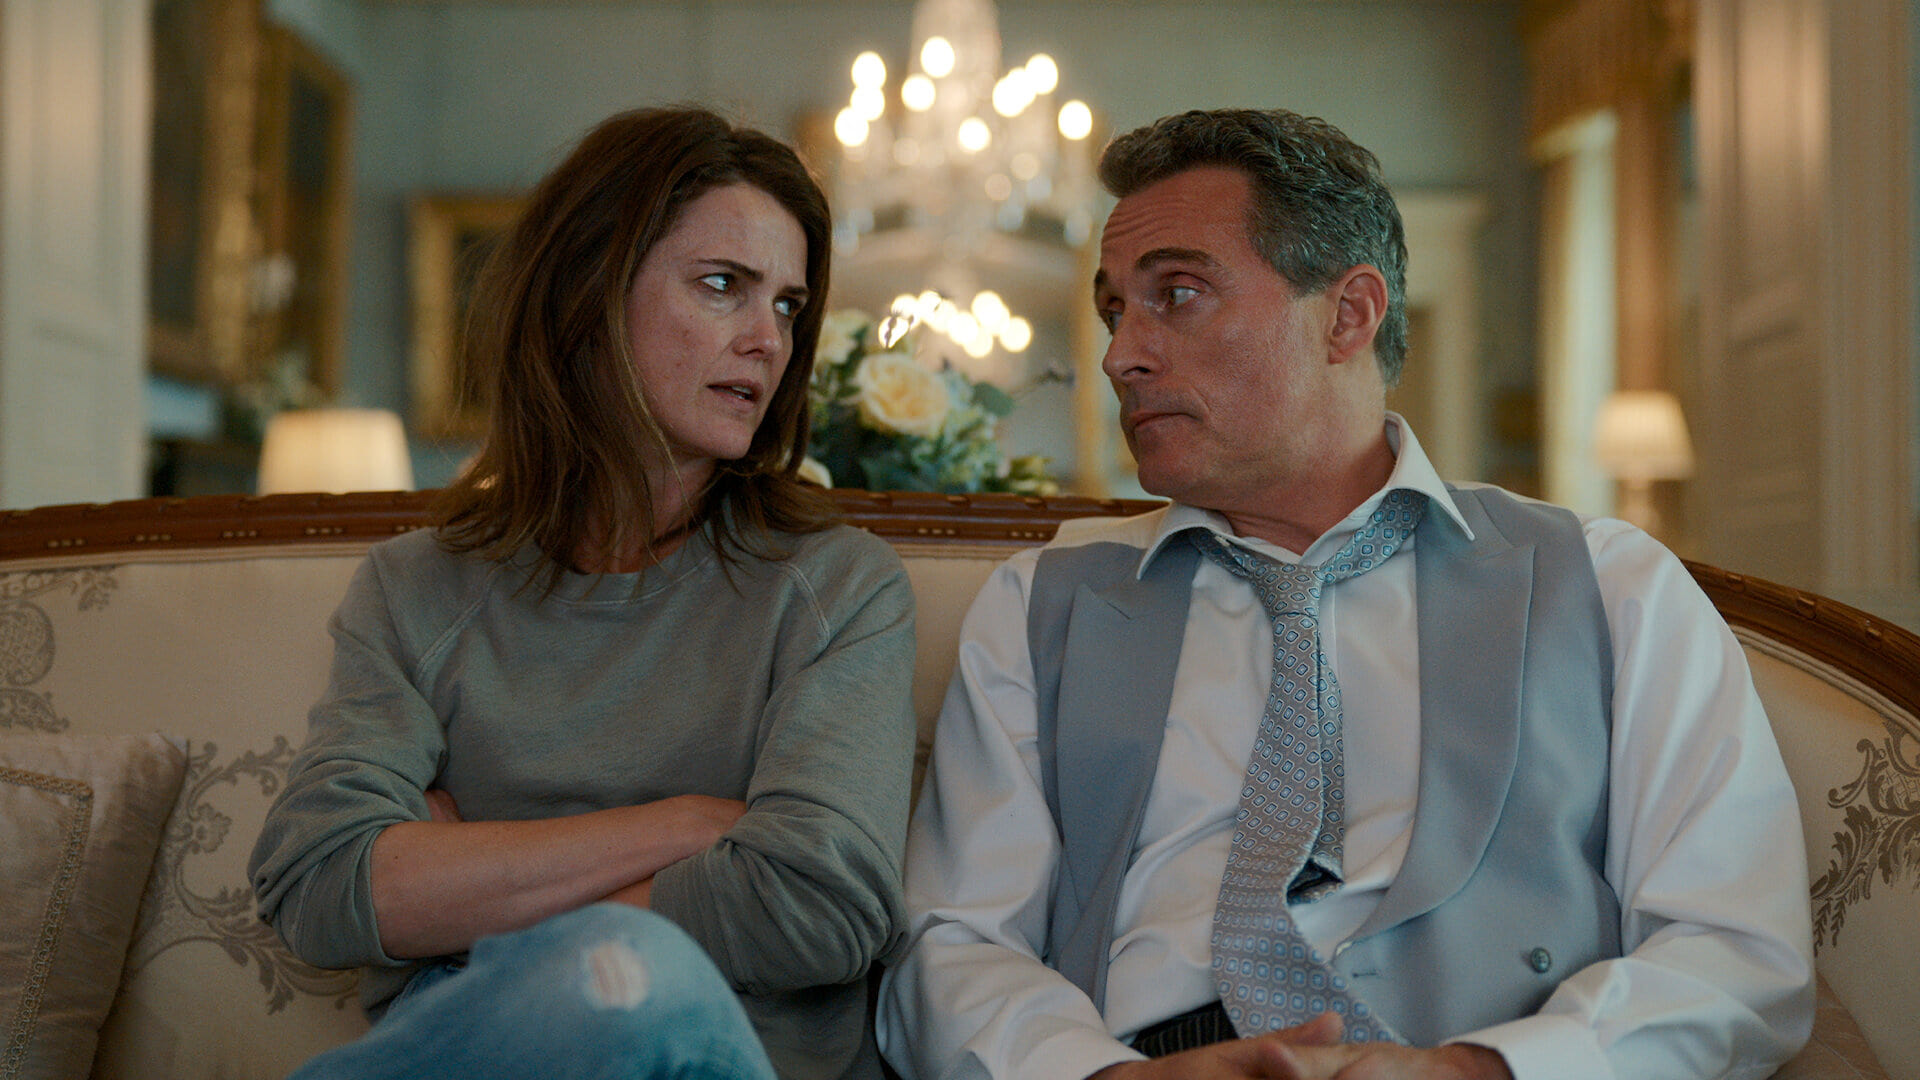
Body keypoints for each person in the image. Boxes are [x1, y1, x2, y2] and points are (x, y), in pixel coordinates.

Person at [875, 108, 1814, 1080]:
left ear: (1349, 315)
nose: (1121, 355)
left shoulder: (1611, 588)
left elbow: (1736, 946)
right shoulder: (1044, 606)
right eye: (1117, 311)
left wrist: (1479, 1072)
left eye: (1178, 294)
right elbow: (952, 944)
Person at [248, 106, 917, 1080]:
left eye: (786, 306)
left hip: (707, 1058)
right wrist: (689, 824)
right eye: (723, 286)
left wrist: (464, 889)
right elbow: (317, 882)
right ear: (587, 294)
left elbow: (820, 904)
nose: (768, 341)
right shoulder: (416, 587)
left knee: (631, 970)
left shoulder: (836, 584)